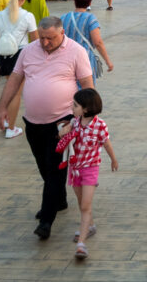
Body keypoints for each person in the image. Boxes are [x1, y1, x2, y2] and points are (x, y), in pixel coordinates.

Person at [0, 16, 94, 240]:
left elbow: (87, 86)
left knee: (54, 171)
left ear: (62, 33)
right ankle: (58, 200)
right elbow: (14, 80)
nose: (45, 43)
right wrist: (2, 108)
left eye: (50, 38)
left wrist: (87, 119)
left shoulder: (76, 51)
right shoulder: (29, 51)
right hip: (33, 123)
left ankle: (46, 221)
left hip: (63, 123)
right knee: (44, 167)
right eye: (42, 38)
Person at [55, 89, 119, 260]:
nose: (72, 107)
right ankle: (89, 227)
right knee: (81, 200)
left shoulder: (100, 125)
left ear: (86, 109)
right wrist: (63, 130)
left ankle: (81, 244)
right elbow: (63, 131)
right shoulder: (75, 122)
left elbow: (106, 143)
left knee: (85, 205)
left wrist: (113, 160)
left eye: (75, 105)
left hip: (90, 169)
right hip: (75, 169)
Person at [0, 0, 38, 138]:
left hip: (3, 55)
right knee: (16, 93)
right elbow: (35, 40)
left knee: (10, 88)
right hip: (21, 54)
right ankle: (11, 128)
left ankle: (7, 120)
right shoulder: (27, 16)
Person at [62, 0, 114, 84]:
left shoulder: (64, 17)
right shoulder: (90, 19)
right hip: (85, 59)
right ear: (90, 3)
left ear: (74, 2)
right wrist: (107, 61)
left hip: (66, 59)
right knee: (86, 91)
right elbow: (97, 42)